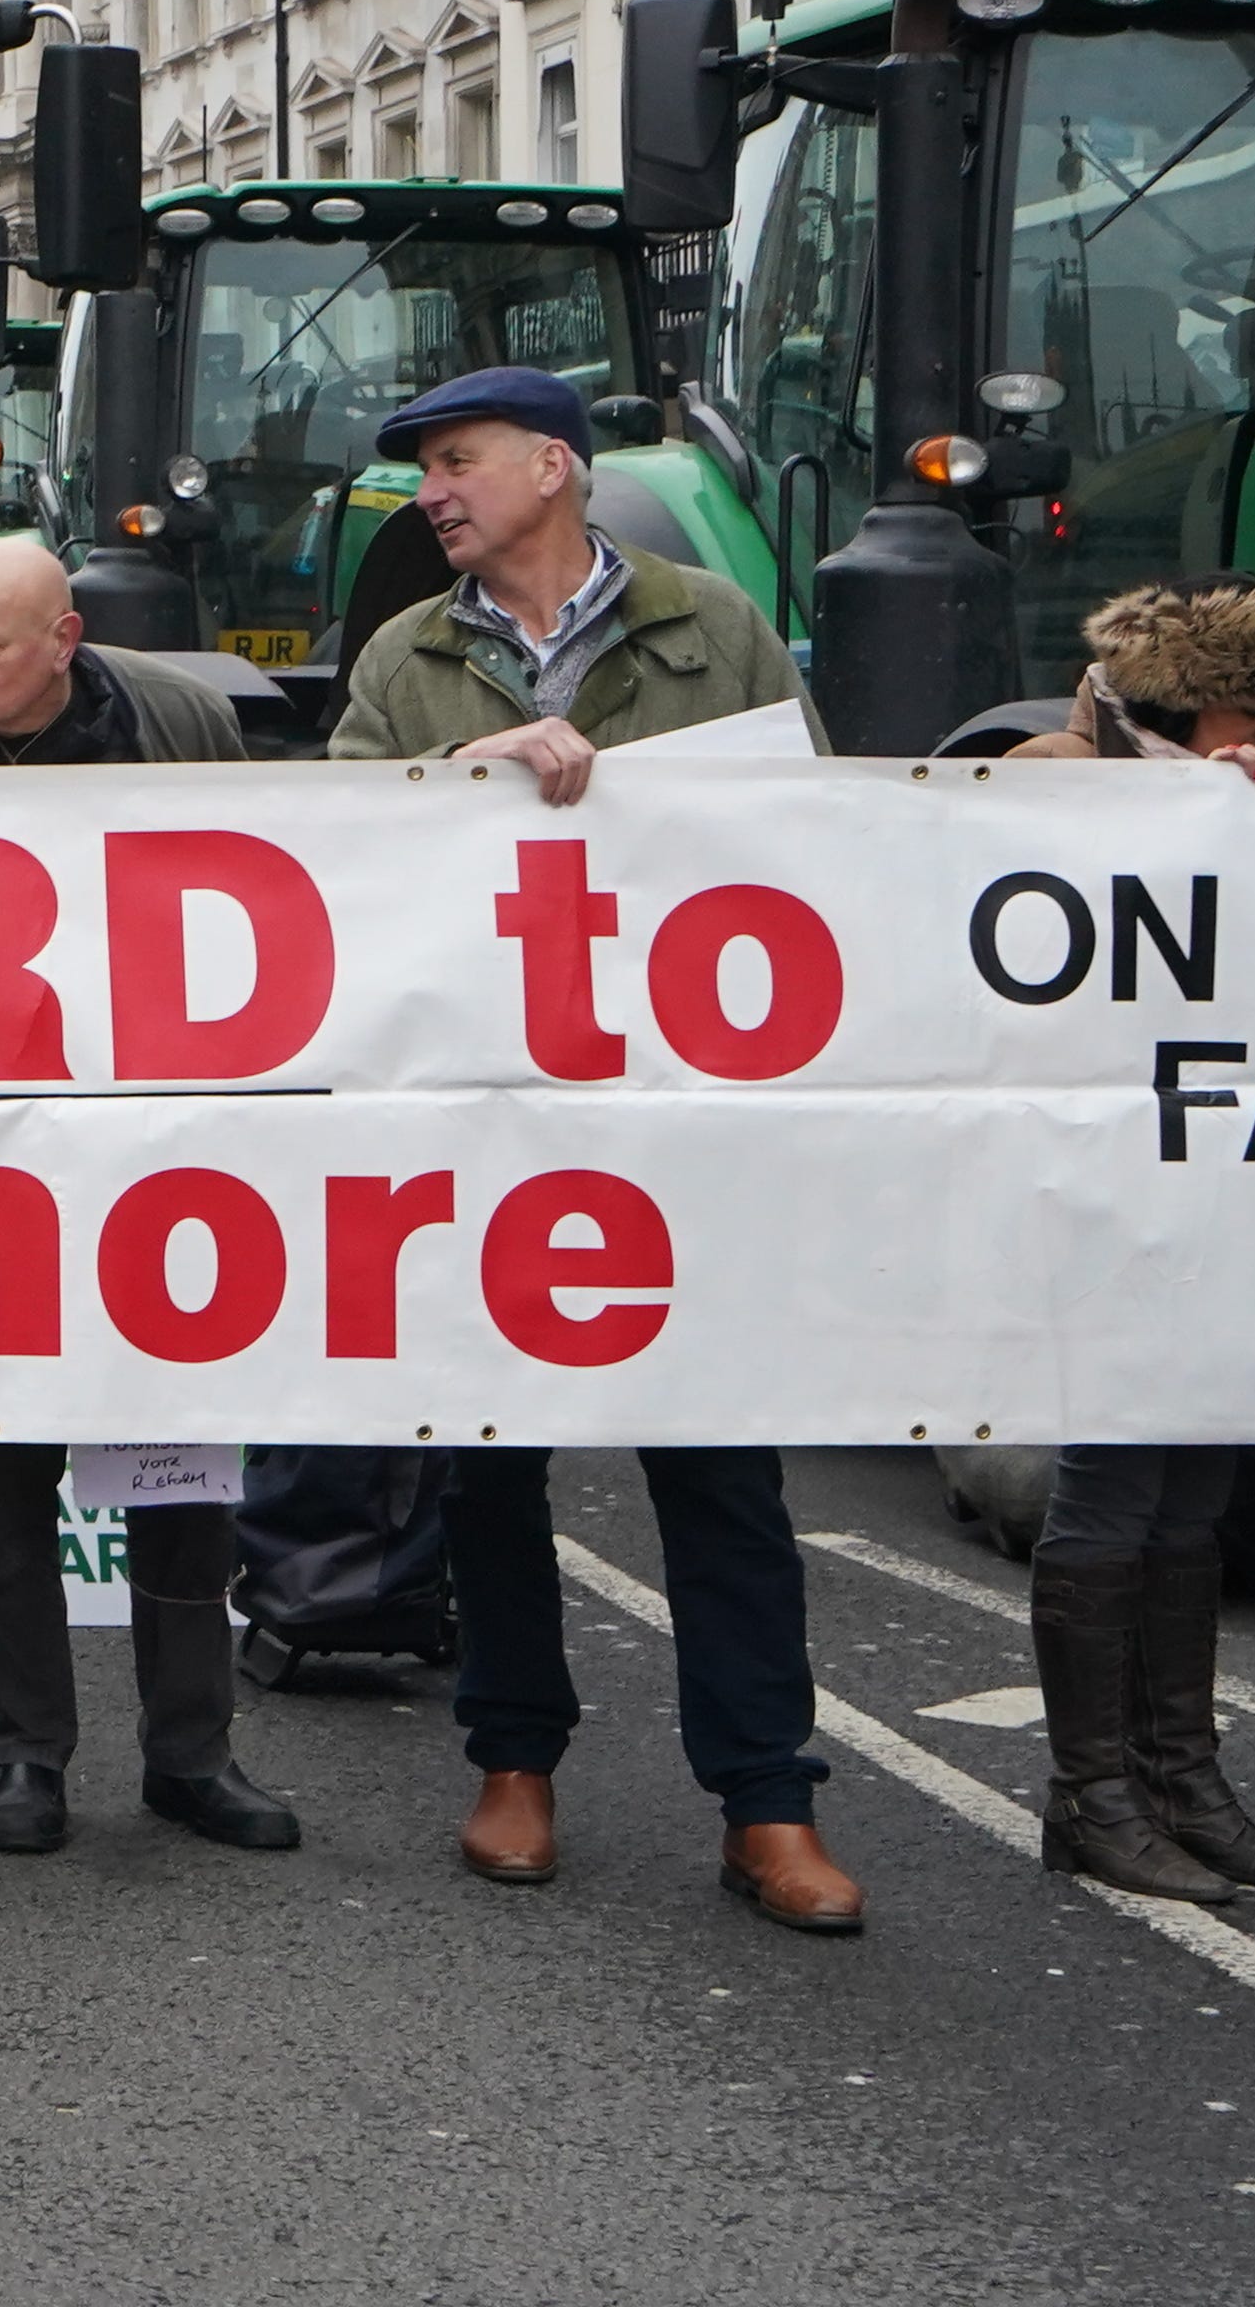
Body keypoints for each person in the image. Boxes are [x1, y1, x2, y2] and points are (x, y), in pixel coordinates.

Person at [329, 367, 859, 1934]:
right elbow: (332, 855)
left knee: (721, 1472)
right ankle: (515, 1764)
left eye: (458, 460)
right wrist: (464, 784)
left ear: (553, 467)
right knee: (490, 1465)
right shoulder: (408, 657)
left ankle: (767, 1800)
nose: (432, 492)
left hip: (677, 1119)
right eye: (427, 467)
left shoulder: (716, 627)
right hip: (493, 1114)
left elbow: (816, 838)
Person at [0, 539, 300, 1859]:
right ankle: (26, 1757)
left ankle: (191, 1757)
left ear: (66, 640)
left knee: (182, 1477)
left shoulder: (185, 720)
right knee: (3, 1478)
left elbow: (263, 895)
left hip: (157, 1157)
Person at [997, 578, 1255, 1902]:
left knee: (1194, 1484)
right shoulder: (1063, 777)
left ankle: (1182, 1779)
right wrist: (1189, 814)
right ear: (1190, 714)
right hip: (1108, 1189)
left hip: (1216, 1179)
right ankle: (1091, 1796)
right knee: (1111, 1484)